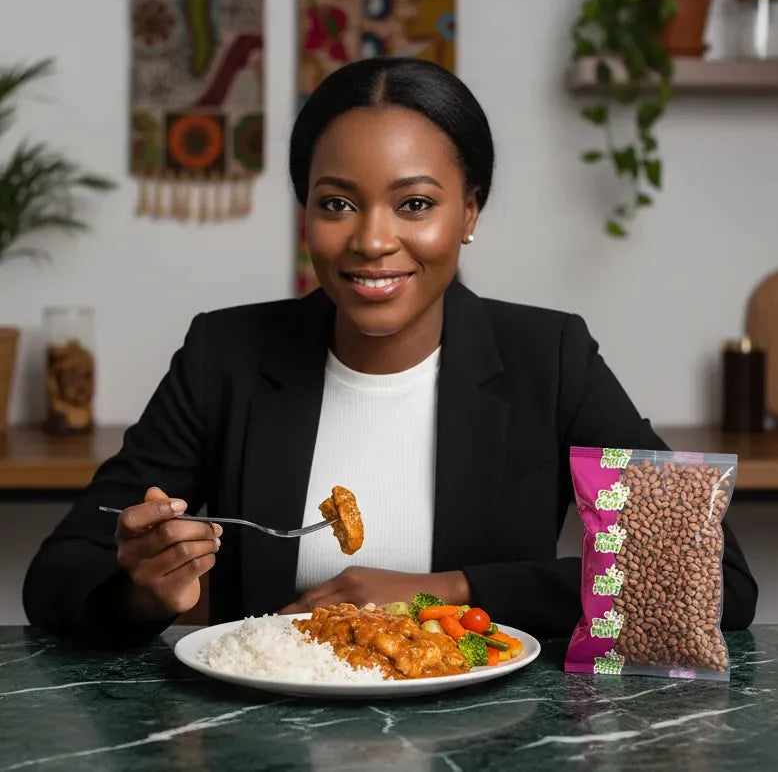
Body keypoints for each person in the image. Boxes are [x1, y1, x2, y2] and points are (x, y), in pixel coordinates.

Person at [23, 58, 757, 640]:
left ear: (470, 211)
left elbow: (709, 577)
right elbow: (59, 574)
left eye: (415, 204)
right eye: (336, 203)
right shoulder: (228, 353)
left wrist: (454, 590)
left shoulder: (549, 356)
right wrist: (141, 591)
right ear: (305, 211)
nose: (373, 241)